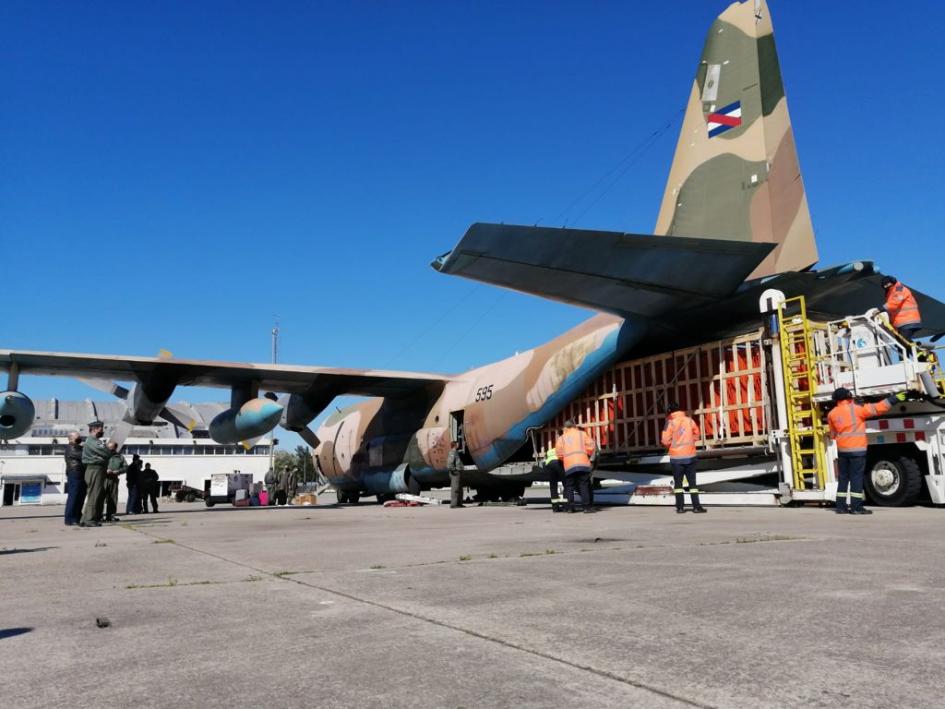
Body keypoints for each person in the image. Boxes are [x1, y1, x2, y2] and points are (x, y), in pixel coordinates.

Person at [827, 388, 903, 515]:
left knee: (843, 479)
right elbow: (878, 408)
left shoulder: (832, 413)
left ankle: (841, 507)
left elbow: (833, 435)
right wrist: (894, 399)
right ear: (849, 396)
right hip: (857, 450)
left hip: (842, 451)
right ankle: (856, 507)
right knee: (856, 478)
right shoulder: (856, 409)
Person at [661, 403, 706, 514]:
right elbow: (697, 434)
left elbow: (665, 440)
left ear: (670, 411)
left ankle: (680, 508)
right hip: (690, 456)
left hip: (676, 458)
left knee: (678, 485)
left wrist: (671, 446)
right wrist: (690, 443)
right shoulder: (689, 420)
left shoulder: (670, 423)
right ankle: (696, 507)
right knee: (693, 484)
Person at [555, 420, 597, 513]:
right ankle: (586, 507)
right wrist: (587, 454)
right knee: (584, 485)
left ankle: (570, 508)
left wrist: (565, 459)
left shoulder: (562, 438)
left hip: (569, 465)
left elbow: (558, 453)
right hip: (583, 463)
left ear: (565, 428)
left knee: (569, 486)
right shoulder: (582, 434)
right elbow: (591, 446)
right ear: (574, 426)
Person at [79, 421, 111, 527]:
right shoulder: (93, 441)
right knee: (94, 495)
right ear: (94, 429)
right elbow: (107, 453)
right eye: (101, 429)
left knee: (93, 494)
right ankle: (90, 520)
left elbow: (105, 453)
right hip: (95, 470)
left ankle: (85, 519)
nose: (102, 431)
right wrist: (105, 452)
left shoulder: (95, 441)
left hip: (96, 469)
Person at [879, 275, 922, 340]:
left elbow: (896, 302)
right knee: (900, 343)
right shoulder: (891, 293)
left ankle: (915, 349)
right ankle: (916, 349)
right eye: (885, 285)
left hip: (908, 321)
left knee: (903, 342)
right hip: (901, 323)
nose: (887, 286)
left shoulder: (899, 289)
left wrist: (882, 308)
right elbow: (892, 310)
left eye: (887, 284)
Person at [63, 431, 87, 526]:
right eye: (77, 437)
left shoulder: (77, 447)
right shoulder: (71, 448)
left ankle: (77, 517)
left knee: (80, 496)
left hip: (81, 473)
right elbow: (83, 456)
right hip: (75, 473)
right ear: (71, 438)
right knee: (74, 496)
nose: (79, 439)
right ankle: (69, 518)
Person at [103, 442, 126, 522]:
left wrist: (119, 471)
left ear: (115, 448)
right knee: (100, 498)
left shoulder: (120, 457)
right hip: (103, 479)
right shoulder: (102, 455)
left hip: (114, 479)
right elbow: (97, 465)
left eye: (111, 448)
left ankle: (111, 515)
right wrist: (105, 470)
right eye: (108, 448)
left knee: (113, 498)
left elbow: (125, 467)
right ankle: (98, 515)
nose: (109, 450)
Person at [543, 439, 566, 511]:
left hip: (549, 465)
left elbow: (545, 460)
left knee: (553, 486)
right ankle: (566, 505)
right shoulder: (562, 448)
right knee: (566, 484)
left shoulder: (549, 451)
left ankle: (555, 507)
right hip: (558, 463)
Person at [447, 441, 464, 508]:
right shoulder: (452, 452)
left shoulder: (456, 452)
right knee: (455, 488)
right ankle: (453, 504)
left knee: (459, 488)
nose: (458, 445)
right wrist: (454, 470)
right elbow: (450, 463)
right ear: (455, 445)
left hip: (458, 472)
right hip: (455, 473)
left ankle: (459, 503)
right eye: (457, 444)